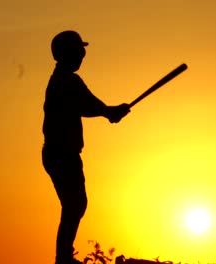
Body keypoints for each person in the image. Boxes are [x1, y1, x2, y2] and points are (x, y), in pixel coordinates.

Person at [42, 30, 130, 264]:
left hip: (61, 154)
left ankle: (64, 256)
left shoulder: (63, 80)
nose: (82, 56)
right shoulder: (66, 81)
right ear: (69, 53)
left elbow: (87, 104)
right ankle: (63, 258)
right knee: (75, 204)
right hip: (61, 154)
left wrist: (109, 111)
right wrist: (110, 112)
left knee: (75, 204)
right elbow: (88, 104)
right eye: (79, 52)